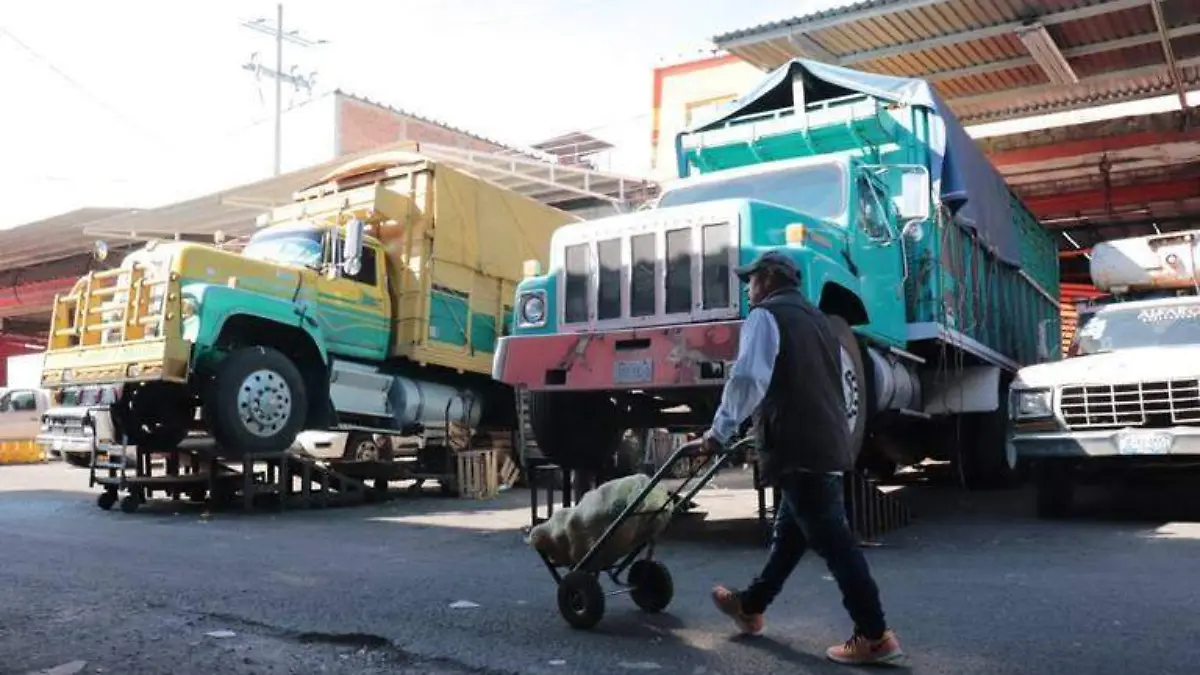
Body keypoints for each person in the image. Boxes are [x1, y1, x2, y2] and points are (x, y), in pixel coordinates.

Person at [700, 250, 903, 666]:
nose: (748, 289)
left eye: (751, 280)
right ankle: (751, 606)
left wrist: (718, 432)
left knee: (836, 544)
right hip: (827, 444)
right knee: (789, 538)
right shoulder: (818, 320)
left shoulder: (766, 316)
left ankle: (875, 634)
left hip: (797, 447)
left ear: (770, 278)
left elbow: (747, 379)